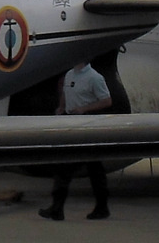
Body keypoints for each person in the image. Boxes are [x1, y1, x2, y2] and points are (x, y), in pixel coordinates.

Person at [40, 60, 113, 221]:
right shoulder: (69, 74)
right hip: (71, 123)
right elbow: (65, 93)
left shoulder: (95, 78)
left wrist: (84, 109)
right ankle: (100, 207)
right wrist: (61, 107)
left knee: (68, 167)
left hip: (87, 126)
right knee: (93, 169)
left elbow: (107, 100)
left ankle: (57, 208)